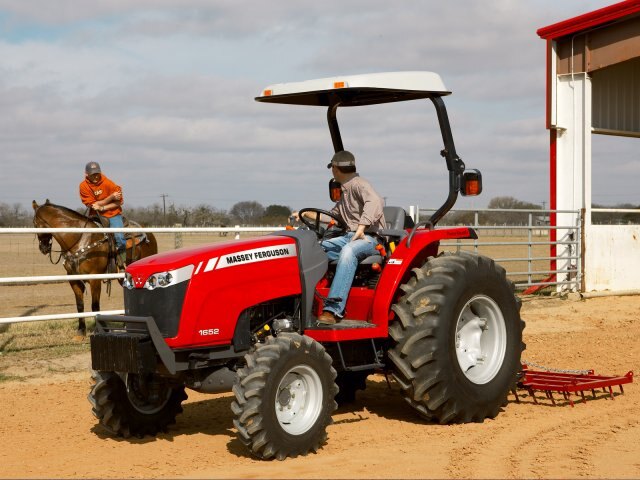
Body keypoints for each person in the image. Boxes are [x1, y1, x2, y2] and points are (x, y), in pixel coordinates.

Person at [300, 150, 385, 325]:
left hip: (369, 238)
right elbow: (333, 216)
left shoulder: (359, 184)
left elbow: (376, 201)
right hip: (348, 236)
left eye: (332, 168)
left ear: (336, 169)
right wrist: (307, 214)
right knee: (315, 249)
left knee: (348, 251)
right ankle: (302, 302)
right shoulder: (345, 192)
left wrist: (362, 226)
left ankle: (333, 309)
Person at [79, 162, 126, 267]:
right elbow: (93, 205)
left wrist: (102, 207)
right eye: (92, 174)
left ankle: (122, 262)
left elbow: (120, 202)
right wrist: (110, 197)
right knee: (86, 237)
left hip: (113, 214)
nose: (95, 177)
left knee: (120, 238)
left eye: (97, 174)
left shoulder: (109, 184)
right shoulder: (83, 186)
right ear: (86, 174)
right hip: (94, 215)